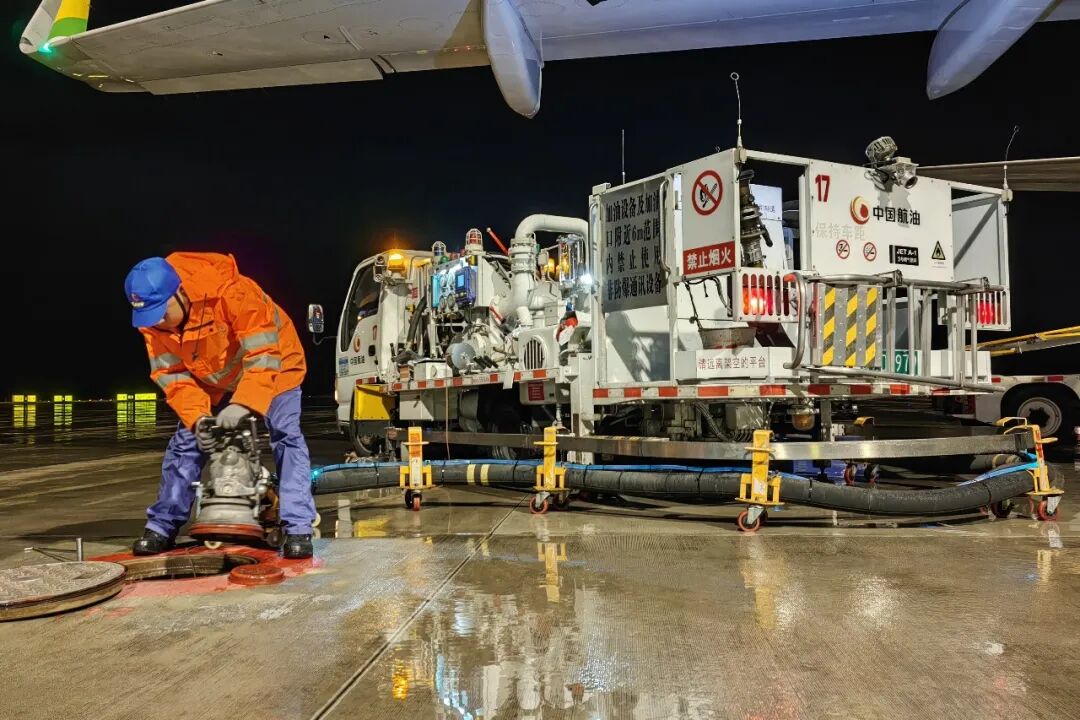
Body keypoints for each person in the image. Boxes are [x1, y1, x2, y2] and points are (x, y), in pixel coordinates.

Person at [123, 253, 316, 559]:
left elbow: (264, 354)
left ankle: (298, 527)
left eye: (162, 312)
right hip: (212, 372)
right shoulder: (153, 322)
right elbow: (171, 376)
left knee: (285, 434)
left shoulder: (231, 291)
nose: (157, 322)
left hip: (276, 360)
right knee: (187, 440)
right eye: (149, 317)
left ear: (180, 292)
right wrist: (199, 419)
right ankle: (162, 524)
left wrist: (244, 404)